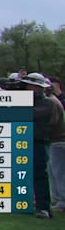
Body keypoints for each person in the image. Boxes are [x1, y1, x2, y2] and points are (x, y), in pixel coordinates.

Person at [20, 73, 63, 218]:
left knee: (39, 175)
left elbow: (29, 114)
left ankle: (43, 207)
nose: (29, 88)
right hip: (24, 140)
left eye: (33, 86)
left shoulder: (48, 103)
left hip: (38, 141)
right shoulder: (28, 101)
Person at [44, 76, 65, 212]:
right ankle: (57, 199)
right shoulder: (50, 101)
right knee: (52, 172)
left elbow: (53, 123)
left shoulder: (52, 101)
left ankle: (62, 200)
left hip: (58, 140)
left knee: (59, 173)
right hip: (53, 141)